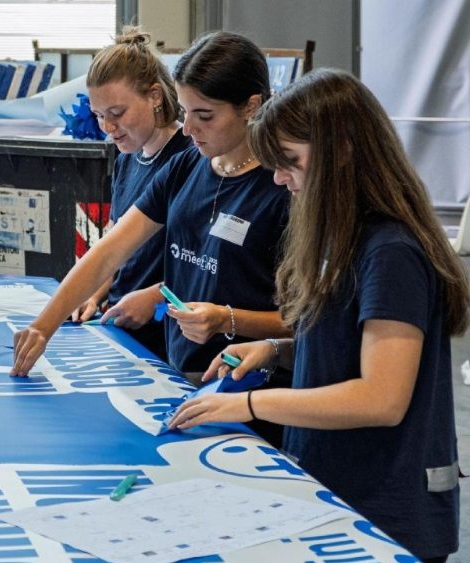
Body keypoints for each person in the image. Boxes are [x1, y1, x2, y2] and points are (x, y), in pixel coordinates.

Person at [169, 68, 467, 562]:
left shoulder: (390, 250)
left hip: (385, 513)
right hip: (335, 487)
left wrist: (251, 407)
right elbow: (342, 347)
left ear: (343, 151)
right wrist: (277, 350)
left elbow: (381, 397)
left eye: (290, 162)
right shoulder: (339, 234)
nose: (280, 177)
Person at [13, 31, 291, 378]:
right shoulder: (185, 166)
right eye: (186, 112)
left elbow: (305, 324)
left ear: (250, 106)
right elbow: (108, 252)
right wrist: (43, 325)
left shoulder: (282, 186)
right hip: (180, 373)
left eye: (204, 116)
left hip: (245, 385)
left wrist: (226, 319)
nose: (188, 129)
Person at [71, 27, 192, 360]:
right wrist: (93, 292)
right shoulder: (127, 157)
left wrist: (157, 297)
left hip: (169, 334)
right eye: (99, 116)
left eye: (117, 114)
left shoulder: (189, 161)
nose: (108, 128)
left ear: (154, 96)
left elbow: (205, 264)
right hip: (122, 325)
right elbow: (115, 244)